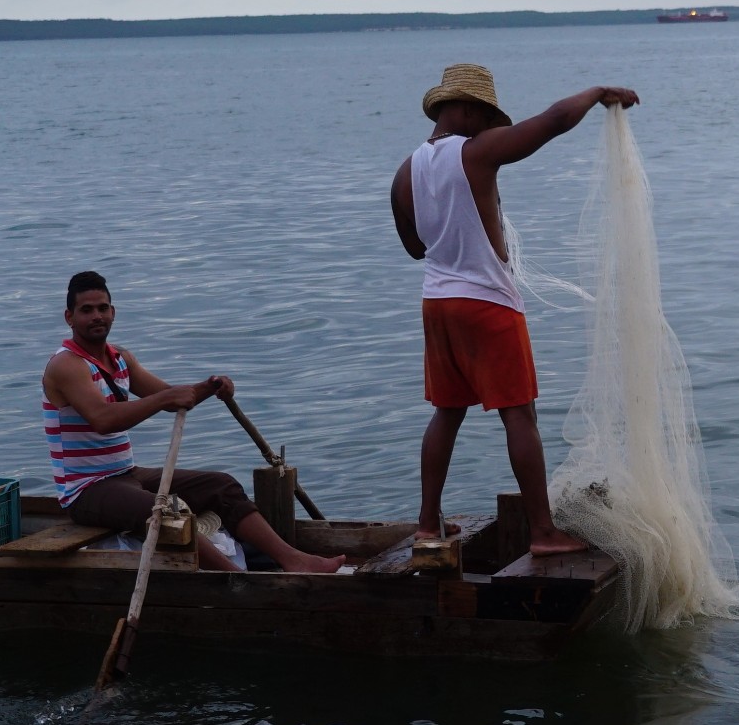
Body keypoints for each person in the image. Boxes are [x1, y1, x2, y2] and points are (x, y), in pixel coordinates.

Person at [390, 63, 639, 556]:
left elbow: (415, 248)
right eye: (484, 114)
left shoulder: (406, 170)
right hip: (486, 303)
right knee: (519, 416)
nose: (489, 126)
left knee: (447, 412)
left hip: (438, 302)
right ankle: (543, 533)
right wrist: (597, 91)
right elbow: (549, 123)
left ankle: (425, 525)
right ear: (461, 110)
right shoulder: (475, 152)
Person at [41, 271, 344, 573]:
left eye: (103, 308)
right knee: (164, 510)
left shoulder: (119, 357)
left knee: (222, 485)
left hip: (126, 473)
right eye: (86, 310)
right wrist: (166, 399)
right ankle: (236, 580)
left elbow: (170, 397)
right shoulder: (66, 365)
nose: (97, 316)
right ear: (70, 317)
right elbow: (103, 420)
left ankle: (293, 559)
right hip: (86, 491)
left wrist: (210, 386)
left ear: (113, 312)